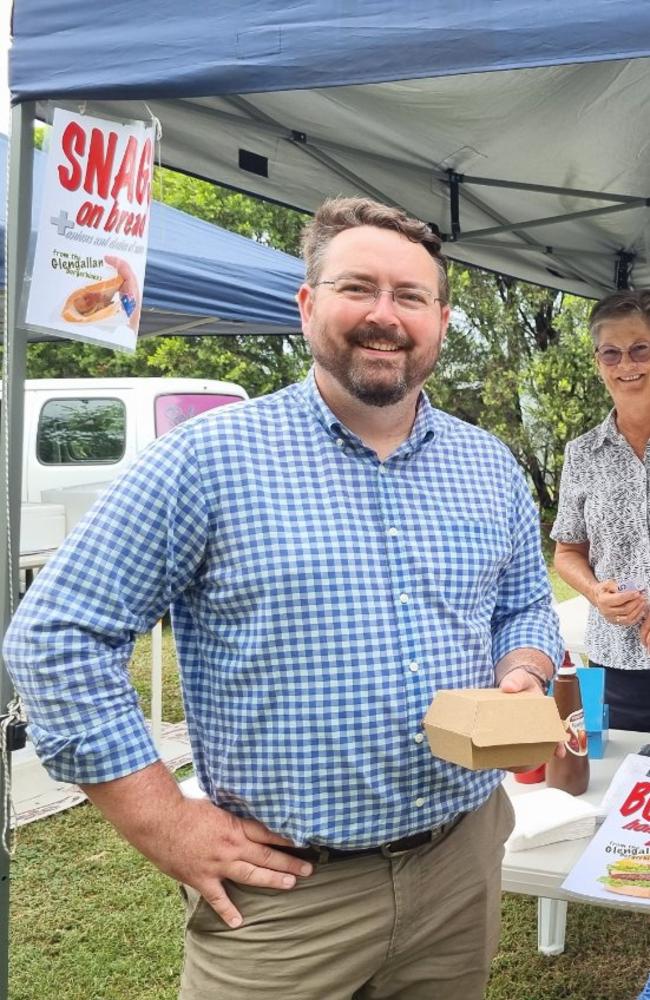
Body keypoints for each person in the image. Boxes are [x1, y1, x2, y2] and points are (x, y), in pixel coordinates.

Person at [4, 197, 562, 1000]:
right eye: (356, 288)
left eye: (410, 296)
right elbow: (55, 636)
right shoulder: (205, 460)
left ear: (440, 318)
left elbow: (521, 604)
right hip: (287, 901)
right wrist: (165, 822)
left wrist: (524, 671)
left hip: (460, 866)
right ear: (307, 305)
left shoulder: (490, 466)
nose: (384, 316)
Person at [552, 289, 650, 732]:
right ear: (597, 364)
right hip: (616, 665)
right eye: (611, 353)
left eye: (640, 349)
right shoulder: (583, 453)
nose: (626, 365)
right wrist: (595, 593)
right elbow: (567, 551)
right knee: (624, 788)